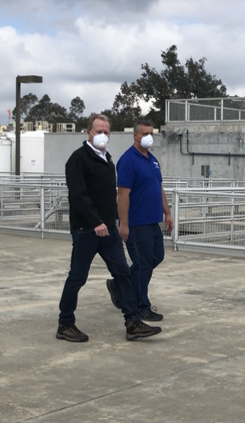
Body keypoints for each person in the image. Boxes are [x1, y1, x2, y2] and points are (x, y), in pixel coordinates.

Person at [57, 114, 161, 342]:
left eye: (106, 131)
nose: (102, 135)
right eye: (98, 131)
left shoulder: (107, 159)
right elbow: (78, 196)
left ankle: (132, 322)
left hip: (109, 231)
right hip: (87, 230)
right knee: (77, 277)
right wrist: (96, 222)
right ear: (89, 133)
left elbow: (108, 197)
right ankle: (65, 324)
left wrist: (115, 221)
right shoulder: (78, 159)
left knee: (123, 274)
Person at [106, 121, 172, 322]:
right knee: (142, 264)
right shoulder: (128, 160)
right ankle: (141, 305)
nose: (149, 137)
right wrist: (124, 224)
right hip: (136, 223)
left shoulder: (152, 160)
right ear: (135, 136)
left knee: (156, 257)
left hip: (153, 221)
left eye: (151, 133)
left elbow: (158, 188)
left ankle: (118, 286)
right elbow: (123, 194)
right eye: (145, 133)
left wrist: (167, 213)